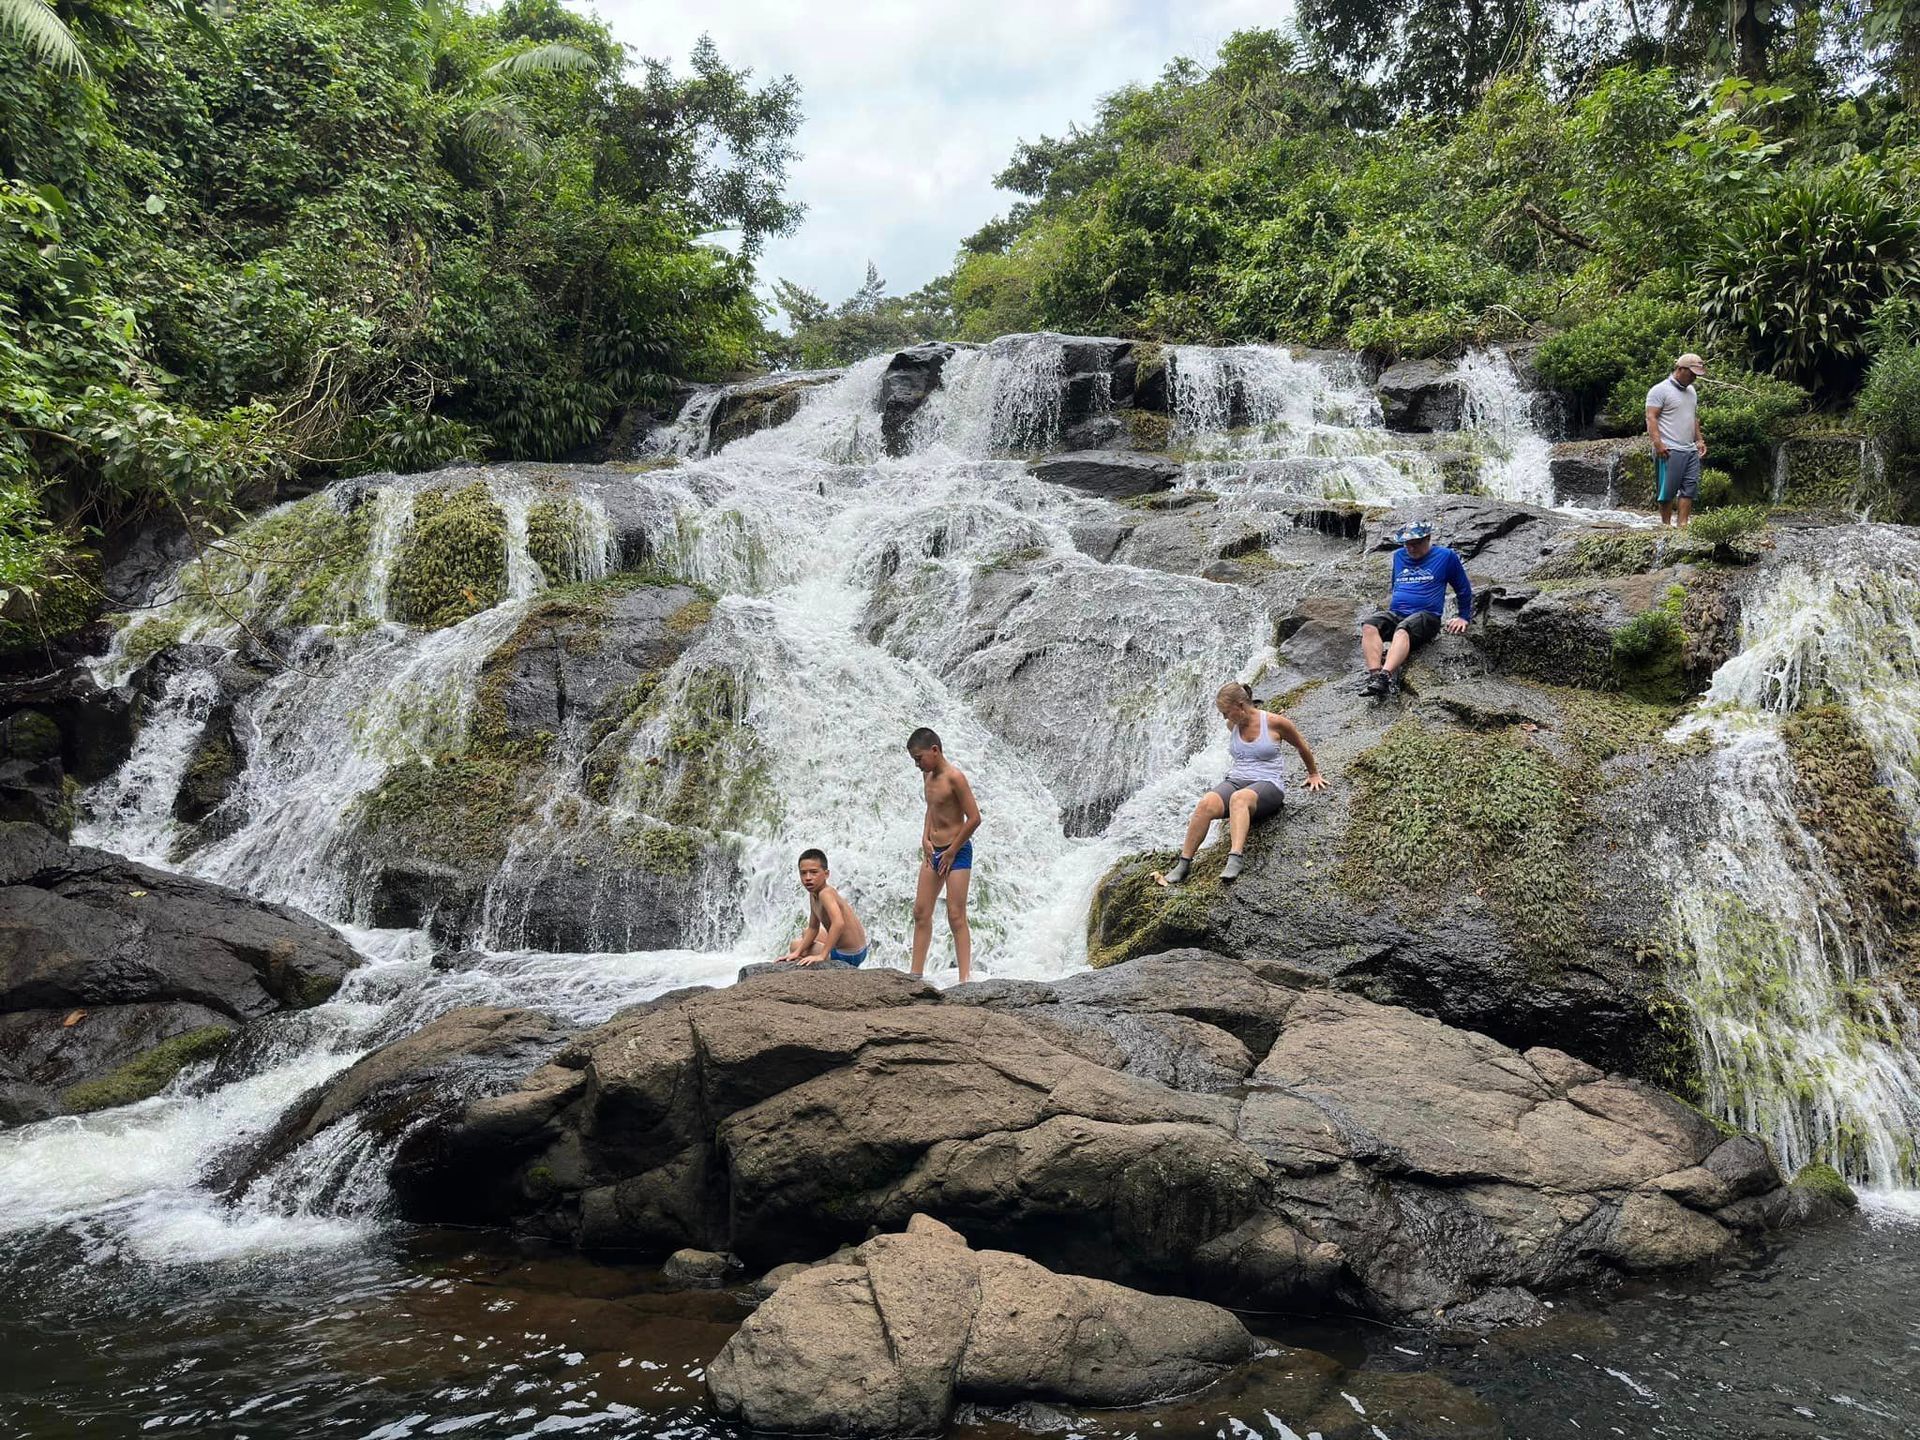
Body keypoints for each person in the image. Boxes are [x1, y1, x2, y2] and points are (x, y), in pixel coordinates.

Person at [1163, 682, 1326, 885]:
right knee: (1205, 803)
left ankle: (1235, 858)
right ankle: (1184, 863)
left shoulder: (1275, 723)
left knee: (1238, 799)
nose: (1224, 718)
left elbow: (1302, 746)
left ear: (1241, 706)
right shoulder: (1232, 725)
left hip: (1268, 784)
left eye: (1226, 712)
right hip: (1236, 779)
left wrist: (1313, 774)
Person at [1360, 522, 1473, 700]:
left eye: (1416, 543)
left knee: (1403, 629)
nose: (1411, 548)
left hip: (1427, 617)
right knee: (1369, 625)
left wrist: (1463, 617)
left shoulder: (1446, 556)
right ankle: (1374, 676)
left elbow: (1463, 588)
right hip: (1397, 612)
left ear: (1428, 539)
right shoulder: (1398, 556)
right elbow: (1395, 585)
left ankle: (1385, 677)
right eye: (1407, 544)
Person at [906, 726, 980, 983]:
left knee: (956, 914)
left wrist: (951, 851)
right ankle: (915, 974)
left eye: (919, 758)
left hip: (957, 853)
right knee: (920, 911)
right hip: (933, 851)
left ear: (935, 750)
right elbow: (932, 808)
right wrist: (925, 837)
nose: (917, 765)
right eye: (914, 760)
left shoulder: (954, 777)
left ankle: (965, 979)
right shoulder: (927, 775)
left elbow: (974, 819)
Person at [776, 847, 870, 967]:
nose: (808, 877)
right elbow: (813, 928)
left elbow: (838, 923)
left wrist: (822, 955)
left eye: (814, 872)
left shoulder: (825, 893)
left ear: (826, 874)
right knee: (805, 934)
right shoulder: (814, 894)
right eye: (803, 873)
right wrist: (797, 953)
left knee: (794, 945)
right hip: (860, 950)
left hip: (848, 955)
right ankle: (806, 952)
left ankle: (828, 956)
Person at [1645, 353, 1708, 528]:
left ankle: (1683, 525)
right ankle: (1665, 525)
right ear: (1680, 369)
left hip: (1690, 449)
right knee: (1667, 490)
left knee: (1689, 489)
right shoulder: (1660, 390)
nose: (1695, 377)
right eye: (1692, 373)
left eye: (1697, 374)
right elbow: (1651, 418)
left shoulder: (1692, 391)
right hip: (1669, 448)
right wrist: (1658, 444)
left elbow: (1692, 417)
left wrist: (1700, 440)